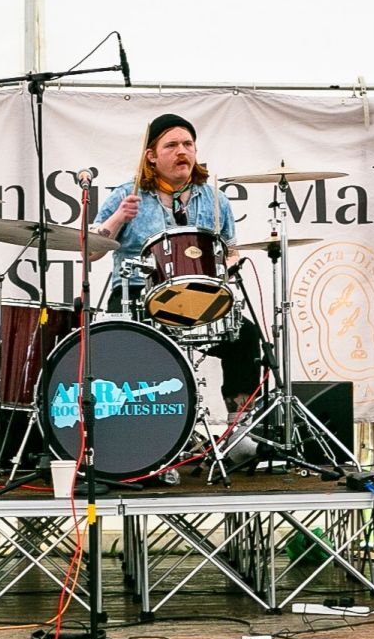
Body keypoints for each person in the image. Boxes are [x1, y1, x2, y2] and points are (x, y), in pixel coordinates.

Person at [91, 113, 261, 414]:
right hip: (135, 298)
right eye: (171, 145)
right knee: (130, 355)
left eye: (188, 144)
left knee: (245, 338)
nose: (182, 151)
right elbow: (89, 252)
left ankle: (240, 431)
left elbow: (230, 249)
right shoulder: (126, 194)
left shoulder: (215, 199)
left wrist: (232, 263)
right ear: (151, 156)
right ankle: (138, 429)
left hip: (199, 297)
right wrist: (119, 217)